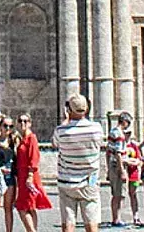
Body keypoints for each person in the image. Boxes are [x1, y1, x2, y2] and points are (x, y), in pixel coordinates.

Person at [52, 93, 105, 232]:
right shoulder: (96, 128)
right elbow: (100, 144)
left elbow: (55, 143)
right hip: (89, 182)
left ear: (69, 110)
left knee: (68, 222)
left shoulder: (61, 131)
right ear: (86, 109)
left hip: (67, 182)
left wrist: (66, 120)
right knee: (91, 221)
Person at [11, 114, 48, 232]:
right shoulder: (22, 139)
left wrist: (30, 176)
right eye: (20, 121)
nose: (23, 123)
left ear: (30, 123)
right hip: (22, 176)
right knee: (30, 207)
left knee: (22, 207)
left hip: (28, 176)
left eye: (25, 121)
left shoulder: (31, 138)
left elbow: (34, 157)